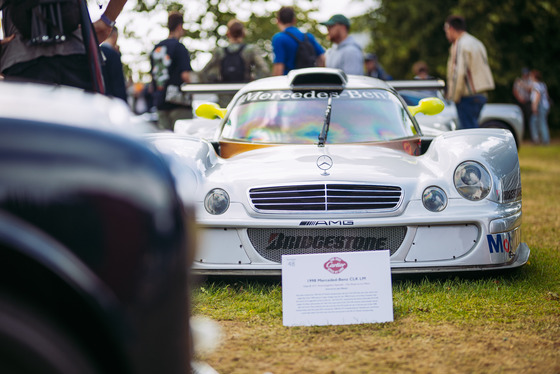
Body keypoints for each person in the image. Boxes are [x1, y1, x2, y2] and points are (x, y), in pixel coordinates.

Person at [0, 0, 127, 90]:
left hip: (20, 58)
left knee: (30, 127)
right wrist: (106, 22)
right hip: (77, 52)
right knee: (81, 125)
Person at [199, 19, 270, 107]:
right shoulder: (250, 50)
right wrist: (254, 85)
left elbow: (204, 72)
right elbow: (264, 69)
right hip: (244, 95)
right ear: (243, 34)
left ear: (228, 34)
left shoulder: (219, 51)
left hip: (224, 97)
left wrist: (215, 86)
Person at [444, 15, 494, 129]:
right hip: (481, 94)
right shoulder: (476, 42)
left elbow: (458, 72)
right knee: (473, 129)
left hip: (467, 96)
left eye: (446, 30)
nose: (446, 34)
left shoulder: (460, 44)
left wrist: (453, 97)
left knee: (468, 134)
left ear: (451, 29)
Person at [150, 11, 193, 131]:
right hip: (179, 104)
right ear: (179, 26)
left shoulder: (156, 48)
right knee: (181, 140)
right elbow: (185, 75)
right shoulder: (179, 48)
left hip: (160, 103)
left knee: (165, 141)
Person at [271, 6, 325, 76]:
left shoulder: (279, 38)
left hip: (289, 82)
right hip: (309, 80)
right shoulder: (308, 36)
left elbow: (279, 67)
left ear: (278, 20)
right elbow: (322, 58)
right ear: (294, 20)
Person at [100, 27, 127, 102]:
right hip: (113, 100)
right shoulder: (113, 54)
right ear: (115, 35)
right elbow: (118, 83)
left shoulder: (97, 52)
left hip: (100, 96)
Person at [528, 69, 551, 145]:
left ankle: (544, 141)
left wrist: (534, 106)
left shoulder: (536, 85)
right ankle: (539, 139)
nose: (530, 77)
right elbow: (547, 95)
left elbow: (538, 95)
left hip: (539, 106)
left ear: (534, 77)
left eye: (531, 76)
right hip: (545, 105)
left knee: (541, 123)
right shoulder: (542, 84)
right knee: (538, 122)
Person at [513, 67, 533, 138]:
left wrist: (523, 85)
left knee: (530, 119)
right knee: (521, 119)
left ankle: (531, 136)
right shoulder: (518, 80)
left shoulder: (530, 81)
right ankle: (521, 136)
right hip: (520, 102)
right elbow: (515, 91)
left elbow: (530, 90)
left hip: (528, 102)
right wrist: (519, 98)